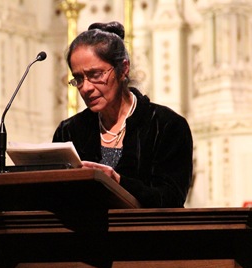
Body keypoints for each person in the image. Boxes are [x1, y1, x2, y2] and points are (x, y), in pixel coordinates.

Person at [53, 21, 193, 208]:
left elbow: (171, 198)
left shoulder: (166, 125)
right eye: (78, 78)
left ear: (123, 69)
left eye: (95, 75)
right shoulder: (69, 131)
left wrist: (117, 181)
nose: (85, 88)